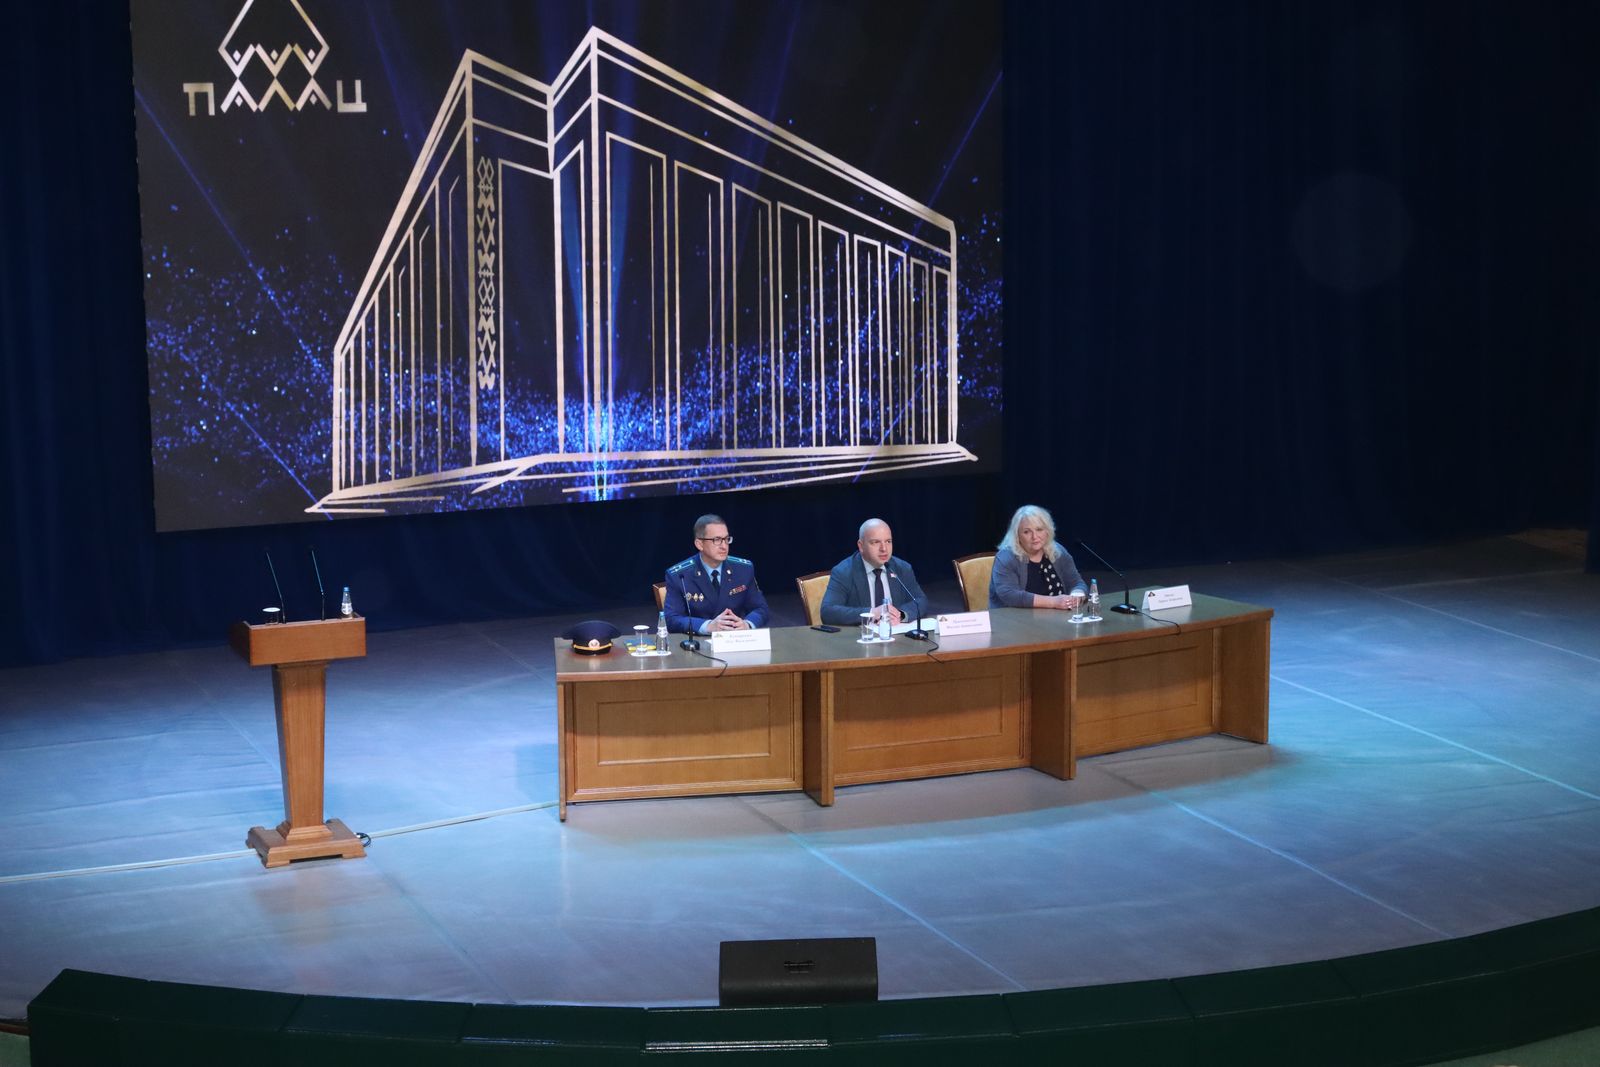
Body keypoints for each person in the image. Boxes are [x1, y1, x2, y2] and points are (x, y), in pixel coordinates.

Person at [663, 514, 770, 635]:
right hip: (697, 641)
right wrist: (707, 626)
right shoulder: (679, 575)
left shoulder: (743, 569)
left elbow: (761, 609)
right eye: (717, 540)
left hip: (733, 639)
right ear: (699, 544)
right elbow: (671, 619)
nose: (724, 546)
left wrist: (747, 624)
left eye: (726, 539)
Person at [819, 518, 934, 627]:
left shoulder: (902, 568)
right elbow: (828, 612)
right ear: (861, 546)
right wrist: (872, 613)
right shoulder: (844, 572)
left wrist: (900, 614)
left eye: (888, 541)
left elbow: (920, 600)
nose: (884, 548)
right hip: (861, 637)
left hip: (896, 635)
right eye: (875, 542)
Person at [989, 504, 1088, 610]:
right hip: (1015, 618)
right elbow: (1009, 595)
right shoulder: (1006, 557)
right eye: (1027, 532)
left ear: (1047, 530)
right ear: (1017, 535)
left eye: (1039, 529)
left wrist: (1076, 596)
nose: (1034, 536)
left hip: (1058, 617)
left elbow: (1076, 583)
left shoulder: (1057, 551)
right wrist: (1053, 602)